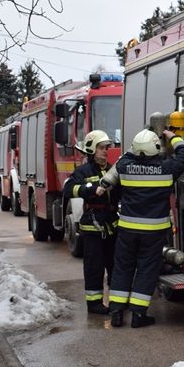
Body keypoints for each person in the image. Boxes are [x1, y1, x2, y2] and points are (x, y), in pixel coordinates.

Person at [104, 128, 184, 328]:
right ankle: (138, 315)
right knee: (146, 270)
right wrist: (172, 136)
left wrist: (137, 145)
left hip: (127, 229)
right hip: (153, 232)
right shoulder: (167, 169)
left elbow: (125, 157)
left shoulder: (125, 167)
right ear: (156, 149)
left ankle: (117, 313)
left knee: (122, 268)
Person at [63, 130, 120, 315]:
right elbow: (68, 189)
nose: (106, 151)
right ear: (91, 150)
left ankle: (117, 301)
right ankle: (94, 303)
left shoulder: (112, 169)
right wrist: (91, 189)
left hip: (112, 223)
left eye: (107, 148)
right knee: (94, 266)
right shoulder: (83, 172)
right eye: (102, 148)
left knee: (115, 265)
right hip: (93, 224)